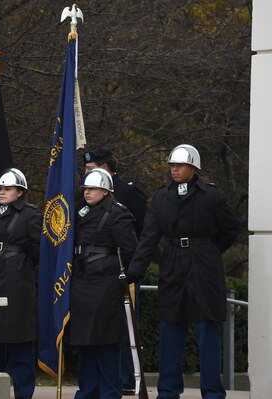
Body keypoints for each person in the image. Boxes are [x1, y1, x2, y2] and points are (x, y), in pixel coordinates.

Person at [127, 144, 241, 399]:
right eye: (172, 165)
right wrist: (134, 271)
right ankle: (167, 391)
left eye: (180, 165)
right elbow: (149, 237)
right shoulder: (162, 197)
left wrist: (209, 251)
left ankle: (212, 392)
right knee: (170, 329)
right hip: (174, 263)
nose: (174, 169)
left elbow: (231, 228)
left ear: (193, 168)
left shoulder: (211, 196)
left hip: (204, 265)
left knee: (207, 330)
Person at [67, 168, 138, 399]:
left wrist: (120, 276)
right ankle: (87, 392)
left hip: (105, 283)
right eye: (86, 188)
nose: (87, 192)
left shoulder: (119, 214)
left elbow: (129, 251)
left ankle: (109, 392)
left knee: (106, 342)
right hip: (81, 281)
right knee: (84, 341)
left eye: (93, 188)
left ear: (106, 191)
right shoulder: (79, 212)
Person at [83, 147, 147, 394]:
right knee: (94, 334)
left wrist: (131, 271)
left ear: (107, 168)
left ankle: (127, 380)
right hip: (90, 277)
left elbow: (140, 232)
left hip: (116, 270)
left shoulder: (128, 193)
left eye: (93, 170)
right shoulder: (84, 204)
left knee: (119, 330)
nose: (88, 178)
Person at [0, 168, 41, 399]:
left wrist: (20, 262)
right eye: (0, 189)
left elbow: (40, 248)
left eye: (8, 189)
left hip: (16, 278)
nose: (2, 192)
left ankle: (23, 392)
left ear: (20, 192)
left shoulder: (31, 214)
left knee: (18, 337)